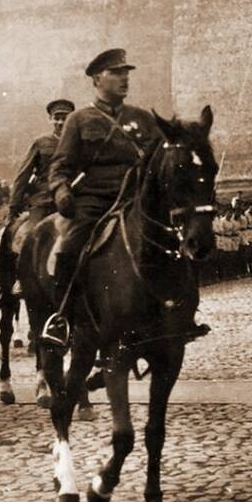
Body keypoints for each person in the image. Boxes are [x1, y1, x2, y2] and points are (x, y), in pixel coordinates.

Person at [43, 49, 168, 345]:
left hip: (136, 202)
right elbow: (59, 166)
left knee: (172, 243)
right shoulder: (79, 120)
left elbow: (162, 160)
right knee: (69, 248)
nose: (125, 79)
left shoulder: (142, 119)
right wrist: (61, 191)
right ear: (98, 79)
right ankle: (62, 319)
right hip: (94, 203)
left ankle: (176, 313)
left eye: (127, 73)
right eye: (117, 73)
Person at [10, 99, 75, 227]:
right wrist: (14, 205)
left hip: (73, 198)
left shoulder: (80, 143)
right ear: (50, 119)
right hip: (44, 200)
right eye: (57, 118)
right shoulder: (41, 143)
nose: (61, 122)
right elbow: (23, 175)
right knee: (32, 236)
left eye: (65, 118)